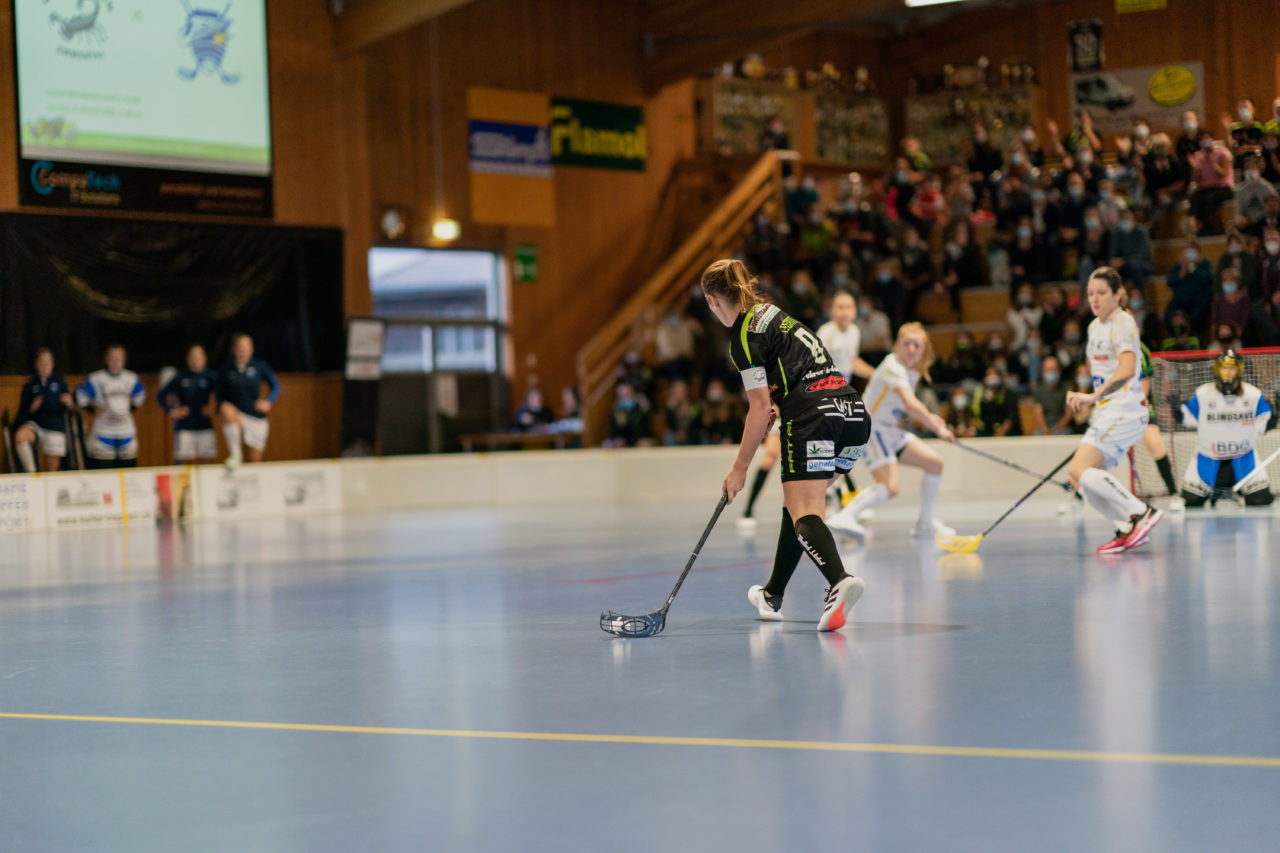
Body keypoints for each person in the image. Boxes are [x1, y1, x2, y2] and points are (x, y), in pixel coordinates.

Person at [701, 258, 871, 632]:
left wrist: (739, 469)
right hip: (853, 415)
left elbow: (759, 409)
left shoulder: (743, 337)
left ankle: (840, 580)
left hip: (813, 419)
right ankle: (773, 594)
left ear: (713, 301)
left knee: (806, 511)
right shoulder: (771, 313)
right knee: (797, 506)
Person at [826, 323, 956, 541]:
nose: (912, 349)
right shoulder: (892, 366)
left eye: (917, 345)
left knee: (934, 463)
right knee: (890, 486)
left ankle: (925, 523)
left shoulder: (911, 370)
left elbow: (905, 406)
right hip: (870, 430)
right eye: (907, 343)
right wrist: (937, 428)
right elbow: (910, 404)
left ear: (924, 349)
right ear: (896, 345)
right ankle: (844, 516)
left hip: (890, 431)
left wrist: (931, 418)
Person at [1065, 267, 1164, 555]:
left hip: (1126, 409)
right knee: (1078, 477)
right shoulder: (1094, 327)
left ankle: (1140, 512)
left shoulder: (1123, 323)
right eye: (1090, 294)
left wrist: (1093, 396)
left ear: (1118, 294)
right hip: (1107, 412)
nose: (1094, 299)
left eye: (1101, 293)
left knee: (1080, 469)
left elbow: (1127, 369)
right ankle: (1125, 526)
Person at [1179, 349, 1274, 507]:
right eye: (1224, 368)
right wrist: (1177, 411)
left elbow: (1263, 426)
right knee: (1191, 502)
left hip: (1244, 457)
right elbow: (1187, 419)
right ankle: (1216, 492)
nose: (1227, 373)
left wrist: (1274, 416)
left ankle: (1239, 493)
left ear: (1239, 370)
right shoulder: (1203, 394)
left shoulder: (1253, 395)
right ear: (1217, 370)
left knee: (1261, 501)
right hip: (1208, 458)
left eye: (1231, 368)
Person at [76, 344, 146, 469]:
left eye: (119, 358)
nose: (116, 362)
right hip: (103, 432)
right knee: (104, 474)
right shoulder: (96, 378)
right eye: (112, 358)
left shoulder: (131, 378)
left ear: (124, 360)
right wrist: (93, 409)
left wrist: (128, 410)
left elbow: (140, 397)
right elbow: (80, 395)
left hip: (126, 433)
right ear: (106, 360)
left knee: (128, 473)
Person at [217, 334, 281, 466]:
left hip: (256, 416)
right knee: (226, 409)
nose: (243, 351)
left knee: (254, 461)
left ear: (251, 349)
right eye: (240, 347)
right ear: (234, 349)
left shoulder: (260, 366)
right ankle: (235, 454)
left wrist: (268, 401)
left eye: (246, 347)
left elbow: (276, 386)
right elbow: (219, 395)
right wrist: (221, 405)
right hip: (236, 415)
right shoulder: (226, 370)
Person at [156, 344, 219, 464]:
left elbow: (224, 395)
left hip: (205, 426)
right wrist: (171, 410)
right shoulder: (180, 376)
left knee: (206, 464)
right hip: (185, 428)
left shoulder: (211, 376)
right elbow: (160, 396)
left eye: (198, 357)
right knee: (185, 466)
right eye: (192, 356)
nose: (195, 360)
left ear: (204, 359)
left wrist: (215, 409)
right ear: (188, 359)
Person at [12, 348, 72, 473]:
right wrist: (31, 409)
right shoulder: (30, 384)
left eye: (48, 363)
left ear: (52, 364)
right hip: (36, 425)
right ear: (36, 365)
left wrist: (69, 404)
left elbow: (70, 408)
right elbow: (22, 414)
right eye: (42, 363)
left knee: (52, 469)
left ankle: (48, 485)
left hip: (55, 426)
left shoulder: (60, 382)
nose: (45, 366)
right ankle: (31, 472)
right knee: (20, 436)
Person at [1138, 343, 1182, 510]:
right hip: (1114, 402)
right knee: (1103, 447)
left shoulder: (1140, 348)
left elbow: (1145, 380)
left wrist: (1137, 406)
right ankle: (1077, 494)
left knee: (1155, 444)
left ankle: (1173, 494)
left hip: (1139, 402)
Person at [1032, 356, 1070, 435]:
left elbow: (1068, 414)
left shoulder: (1066, 389)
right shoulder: (1039, 391)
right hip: (1045, 427)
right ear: (1043, 372)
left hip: (1062, 428)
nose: (1051, 372)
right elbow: (1039, 413)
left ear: (1059, 371)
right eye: (1048, 369)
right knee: (1037, 435)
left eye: (1054, 369)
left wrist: (1056, 429)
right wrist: (1045, 430)